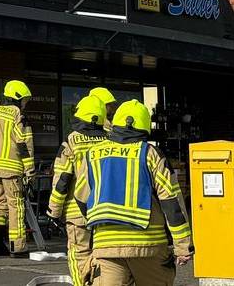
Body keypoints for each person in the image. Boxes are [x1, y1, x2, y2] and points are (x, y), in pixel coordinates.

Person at [82, 100, 193, 286]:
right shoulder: (151, 154)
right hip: (149, 247)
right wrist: (183, 246)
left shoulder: (93, 155)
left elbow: (82, 198)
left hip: (106, 246)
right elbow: (171, 203)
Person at [48, 92, 112, 286]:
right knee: (104, 256)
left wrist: (54, 211)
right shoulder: (111, 142)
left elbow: (62, 180)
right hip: (105, 210)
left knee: (79, 253)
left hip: (76, 212)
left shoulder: (71, 142)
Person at [0, 79, 36, 257]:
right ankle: (18, 247)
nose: (25, 104)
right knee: (16, 207)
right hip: (11, 169)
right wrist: (30, 172)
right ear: (18, 98)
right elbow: (24, 145)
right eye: (25, 100)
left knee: (1, 205)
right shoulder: (19, 115)